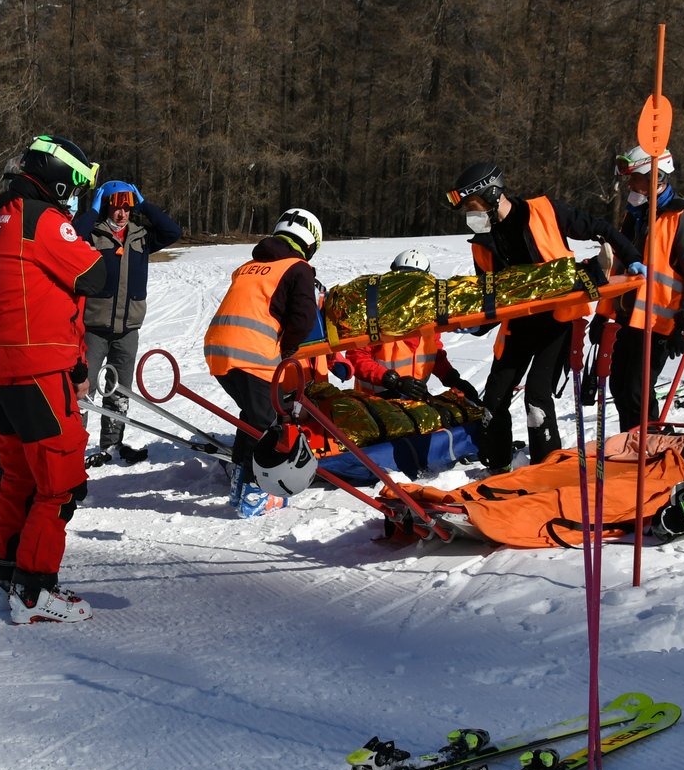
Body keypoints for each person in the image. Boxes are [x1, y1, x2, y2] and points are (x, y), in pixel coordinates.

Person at [0, 136, 108, 624]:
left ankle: (4, 579)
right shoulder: (41, 219)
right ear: (59, 179)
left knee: (18, 477)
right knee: (61, 484)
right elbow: (94, 276)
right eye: (77, 185)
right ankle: (35, 591)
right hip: (33, 372)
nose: (76, 196)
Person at [444, 163, 640, 472]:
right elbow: (491, 297)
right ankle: (497, 469)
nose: (471, 215)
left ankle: (547, 469)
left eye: (474, 206)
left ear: (493, 194)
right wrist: (476, 325)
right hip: (519, 325)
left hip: (557, 321)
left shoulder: (544, 210)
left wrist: (632, 257)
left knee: (536, 399)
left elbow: (599, 226)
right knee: (493, 402)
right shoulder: (482, 244)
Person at [202, 208, 327, 518]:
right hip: (252, 353)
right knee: (263, 420)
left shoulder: (250, 266)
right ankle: (254, 487)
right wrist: (286, 350)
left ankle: (241, 476)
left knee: (255, 415)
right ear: (310, 244)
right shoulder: (298, 269)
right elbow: (302, 318)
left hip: (217, 349)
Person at [72, 181, 182, 468]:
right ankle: (71, 448)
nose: (121, 214)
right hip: (94, 326)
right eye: (116, 207)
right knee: (83, 390)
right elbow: (72, 236)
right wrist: (93, 209)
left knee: (119, 389)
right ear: (106, 206)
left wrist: (144, 204)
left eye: (127, 208)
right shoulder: (93, 235)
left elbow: (173, 231)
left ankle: (112, 445)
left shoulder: (141, 237)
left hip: (128, 326)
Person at [600, 145, 684, 431]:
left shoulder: (683, 219)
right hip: (629, 317)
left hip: (658, 322)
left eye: (635, 178)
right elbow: (619, 267)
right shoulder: (635, 216)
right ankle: (632, 444)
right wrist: (603, 314)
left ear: (655, 177)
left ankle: (648, 447)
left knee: (637, 391)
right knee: (621, 387)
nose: (629, 185)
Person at [340, 249, 483, 404]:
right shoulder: (373, 315)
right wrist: (393, 381)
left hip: (414, 403)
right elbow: (356, 356)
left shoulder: (429, 318)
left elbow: (434, 354)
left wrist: (452, 378)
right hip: (374, 404)